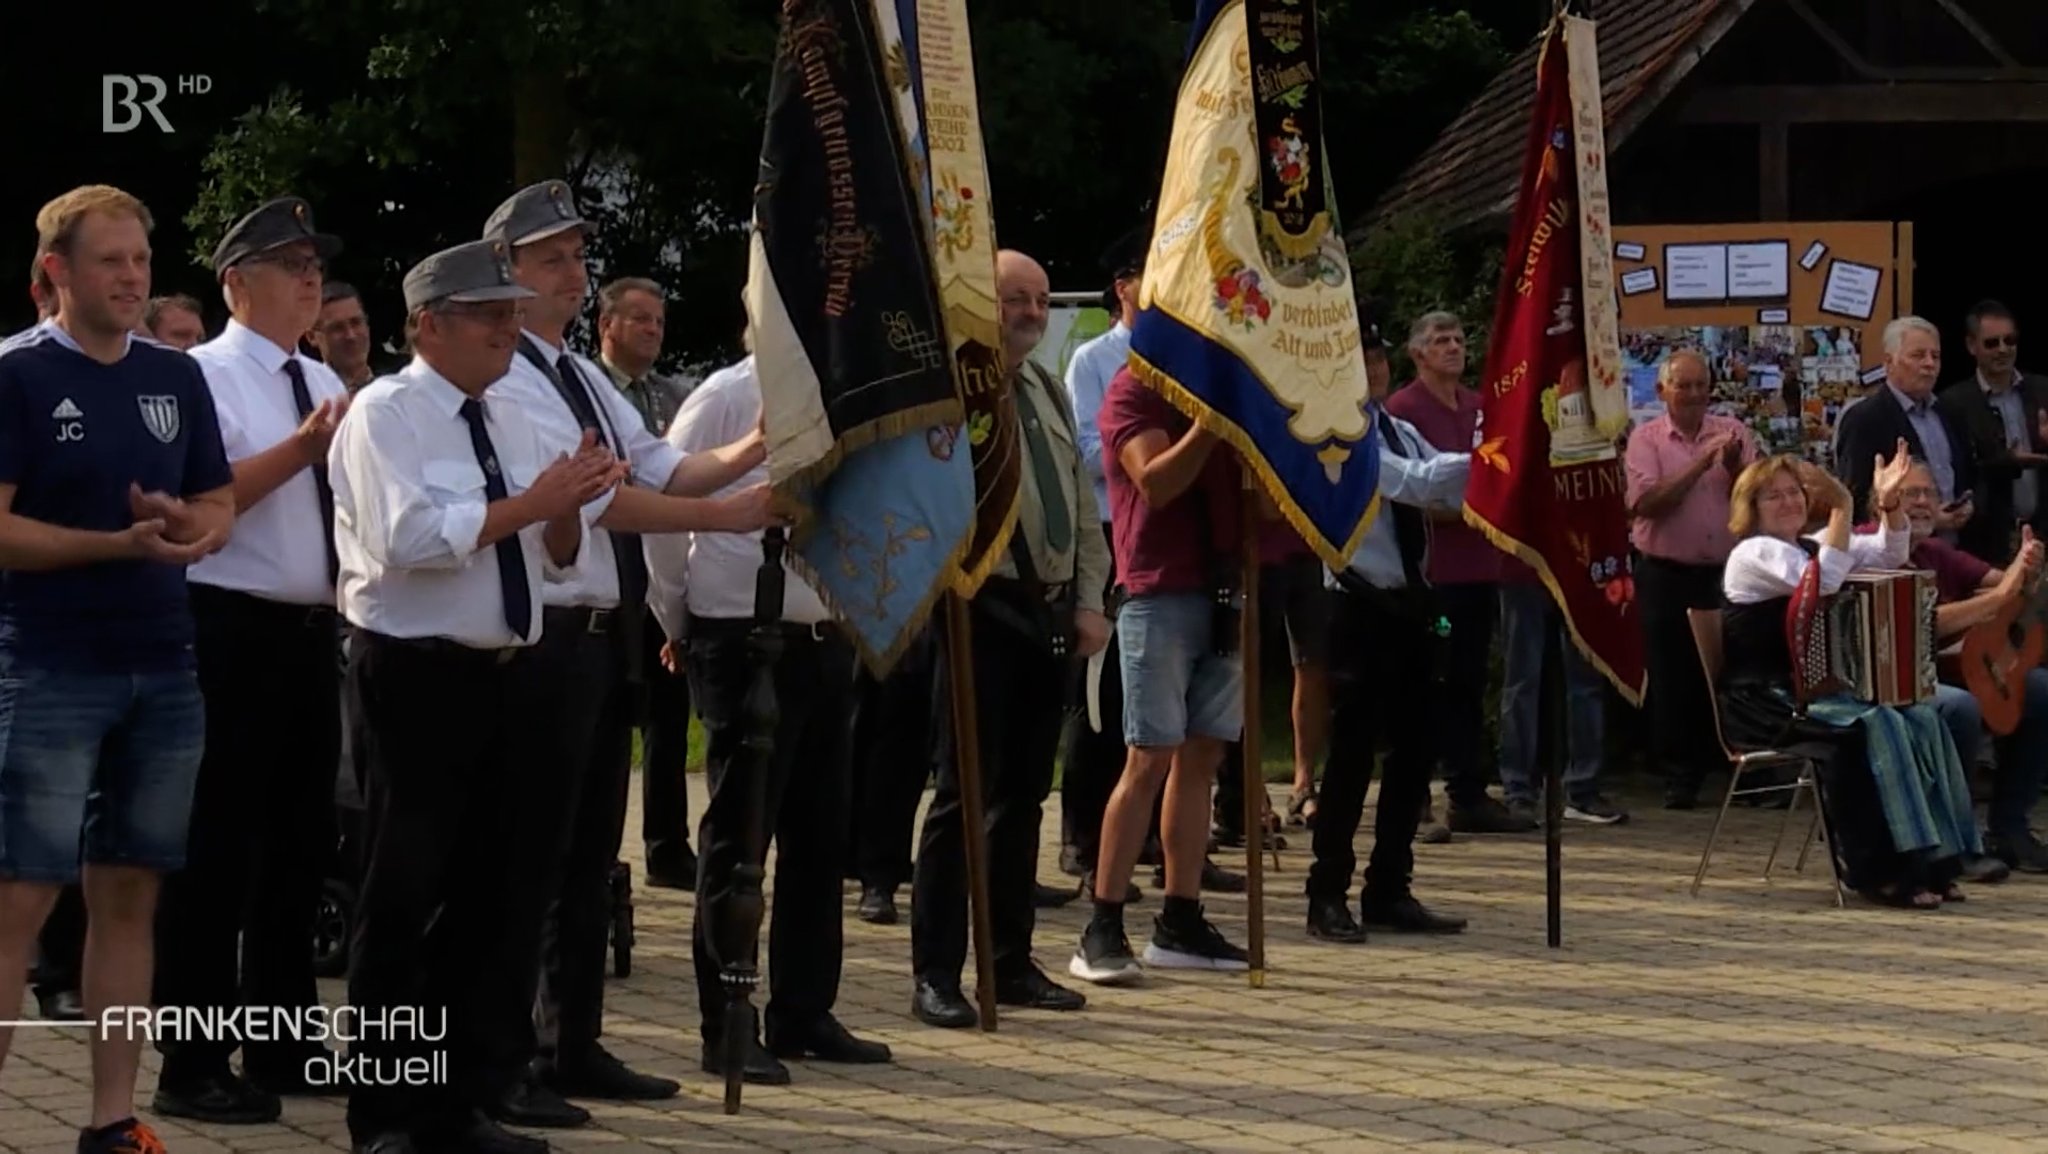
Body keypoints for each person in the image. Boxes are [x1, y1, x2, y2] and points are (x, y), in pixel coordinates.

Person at [481, 180, 770, 1126]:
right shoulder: (510, 376)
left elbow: (661, 465)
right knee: (533, 850)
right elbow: (606, 503)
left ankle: (573, 1040)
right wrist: (720, 515)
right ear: (508, 273)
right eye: (554, 258)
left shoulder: (578, 373)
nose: (575, 272)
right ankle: (507, 1054)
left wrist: (769, 439)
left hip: (607, 635)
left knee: (588, 852)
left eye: (576, 255)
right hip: (549, 635)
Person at [333, 237, 620, 1154]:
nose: (509, 328)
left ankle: (456, 1105)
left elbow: (558, 559)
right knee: (402, 900)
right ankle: (384, 1116)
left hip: (508, 678)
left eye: (510, 311)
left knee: (492, 901)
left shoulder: (510, 416)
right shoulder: (389, 411)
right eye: (488, 314)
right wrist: (539, 502)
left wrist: (570, 502)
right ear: (428, 324)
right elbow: (408, 540)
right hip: (417, 678)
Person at [0, 184, 235, 1154]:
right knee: (20, 897)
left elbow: (217, 499)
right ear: (57, 271)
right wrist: (112, 542)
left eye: (141, 259)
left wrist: (191, 527)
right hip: (49, 666)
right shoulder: (16, 375)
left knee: (130, 891)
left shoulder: (174, 377)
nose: (133, 277)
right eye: (111, 261)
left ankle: (110, 1118)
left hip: (162, 663)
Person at [151, 196, 351, 1125]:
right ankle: (190, 1060)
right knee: (216, 852)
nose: (311, 278)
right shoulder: (200, 374)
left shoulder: (320, 379)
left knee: (299, 849)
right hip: (228, 626)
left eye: (315, 264)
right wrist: (302, 449)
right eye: (290, 263)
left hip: (312, 633)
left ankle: (282, 1039)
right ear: (237, 283)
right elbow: (196, 498)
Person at [646, 349, 891, 1086]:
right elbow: (664, 515)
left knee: (820, 835)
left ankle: (804, 1008)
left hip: (824, 633)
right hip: (743, 635)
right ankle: (728, 1020)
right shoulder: (724, 395)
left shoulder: (852, 385)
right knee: (740, 833)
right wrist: (677, 619)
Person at [910, 250, 1104, 1027]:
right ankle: (936, 973)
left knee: (1025, 795)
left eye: (1040, 301)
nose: (1029, 312)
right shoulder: (954, 391)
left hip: (1049, 613)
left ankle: (1010, 961)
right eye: (1014, 299)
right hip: (976, 609)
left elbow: (1083, 509)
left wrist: (1091, 599)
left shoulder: (1047, 388)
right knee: (963, 795)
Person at [1717, 445, 1980, 909]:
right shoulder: (1753, 553)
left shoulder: (1812, 542)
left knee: (1921, 719)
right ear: (1751, 508)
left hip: (1814, 691)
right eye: (1773, 496)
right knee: (1875, 728)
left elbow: (1889, 550)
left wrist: (1888, 505)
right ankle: (1876, 870)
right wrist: (1842, 505)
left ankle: (1936, 862)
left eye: (1794, 493)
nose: (1789, 502)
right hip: (1763, 698)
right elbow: (1824, 582)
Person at [1069, 362, 1250, 986]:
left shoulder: (1231, 386)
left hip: (1228, 587)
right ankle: (1102, 923)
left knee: (1203, 757)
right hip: (1159, 591)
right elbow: (1156, 480)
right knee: (1148, 757)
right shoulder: (1133, 389)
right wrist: (1210, 423)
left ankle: (1180, 918)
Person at [1305, 313, 1474, 943]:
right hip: (1355, 604)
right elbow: (1417, 485)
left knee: (1414, 751)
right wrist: (1498, 451)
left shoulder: (1398, 429)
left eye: (1377, 360)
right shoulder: (1334, 434)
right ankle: (1327, 893)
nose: (1372, 371)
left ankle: (1390, 887)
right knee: (1352, 756)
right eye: (1359, 361)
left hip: (1408, 605)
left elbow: (1449, 497)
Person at [1890, 460, 2048, 872]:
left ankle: (2009, 827)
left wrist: (2026, 568)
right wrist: (1994, 601)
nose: (1923, 503)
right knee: (1961, 707)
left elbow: (2004, 583)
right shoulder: (1870, 548)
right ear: (1883, 501)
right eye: (1911, 494)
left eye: (1930, 494)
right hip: (1894, 680)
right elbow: (1920, 620)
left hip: (1949, 669)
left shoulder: (1936, 552)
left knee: (2040, 690)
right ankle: (1954, 834)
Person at [595, 276, 698, 890]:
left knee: (667, 711)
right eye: (639, 320)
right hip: (606, 559)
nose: (653, 331)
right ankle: (601, 852)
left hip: (662, 561)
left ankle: (667, 844)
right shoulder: (585, 391)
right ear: (607, 326)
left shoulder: (675, 396)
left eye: (658, 321)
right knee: (609, 711)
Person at [1624, 349, 1757, 809]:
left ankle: (1733, 768)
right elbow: (1647, 504)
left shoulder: (1734, 432)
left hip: (1724, 573)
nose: (1695, 394)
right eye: (1684, 385)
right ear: (1663, 391)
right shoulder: (1646, 440)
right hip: (1665, 573)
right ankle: (1680, 775)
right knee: (1672, 674)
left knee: (1729, 671)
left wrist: (1736, 465)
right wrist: (1702, 463)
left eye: (1702, 385)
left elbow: (1756, 499)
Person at [1833, 317, 1977, 546]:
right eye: (1918, 355)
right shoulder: (1865, 418)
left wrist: (1966, 504)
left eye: (1935, 356)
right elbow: (1852, 501)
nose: (1930, 364)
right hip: (1899, 556)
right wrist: (1924, 518)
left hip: (1955, 552)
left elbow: (1966, 474)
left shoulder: (1950, 412)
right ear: (1889, 363)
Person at [1937, 300, 2048, 552]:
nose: (2002, 349)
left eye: (2010, 341)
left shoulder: (2042, 390)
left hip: (2042, 537)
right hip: (1987, 543)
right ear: (1971, 345)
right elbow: (1953, 473)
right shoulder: (1954, 403)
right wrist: (2006, 462)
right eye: (1991, 343)